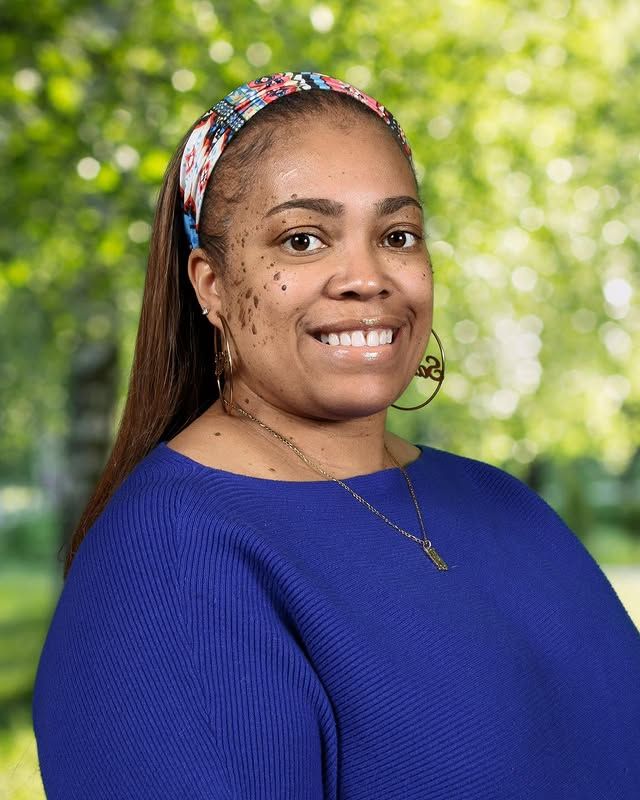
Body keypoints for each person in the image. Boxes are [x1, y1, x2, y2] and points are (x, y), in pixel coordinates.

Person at [32, 71, 640, 799]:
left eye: (397, 234)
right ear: (211, 285)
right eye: (303, 238)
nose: (366, 276)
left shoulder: (505, 504)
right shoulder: (167, 569)